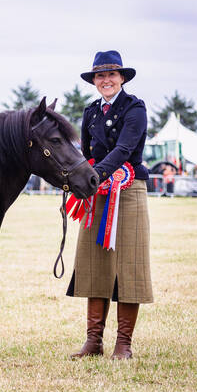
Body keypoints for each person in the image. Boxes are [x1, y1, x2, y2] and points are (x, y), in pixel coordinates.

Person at [67, 50, 153, 360]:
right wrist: (83, 179)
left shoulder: (135, 109)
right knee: (95, 266)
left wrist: (95, 174)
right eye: (100, 76)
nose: (105, 80)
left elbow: (124, 148)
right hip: (97, 192)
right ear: (94, 81)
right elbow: (86, 151)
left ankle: (124, 343)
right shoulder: (91, 112)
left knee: (129, 267)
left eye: (111, 75)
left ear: (122, 78)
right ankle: (93, 341)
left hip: (128, 190)